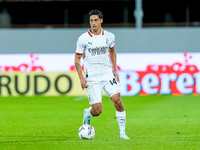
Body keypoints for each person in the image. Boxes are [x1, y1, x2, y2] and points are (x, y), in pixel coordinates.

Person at [74, 9, 129, 139]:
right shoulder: (83, 39)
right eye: (91, 20)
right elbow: (77, 59)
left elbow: (113, 51)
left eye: (96, 20)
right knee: (97, 111)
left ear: (101, 20)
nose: (93, 23)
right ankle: (88, 113)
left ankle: (122, 133)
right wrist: (81, 77)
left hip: (107, 74)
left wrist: (114, 69)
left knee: (118, 101)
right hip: (92, 78)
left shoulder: (109, 36)